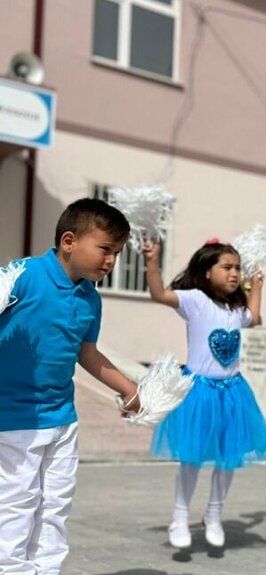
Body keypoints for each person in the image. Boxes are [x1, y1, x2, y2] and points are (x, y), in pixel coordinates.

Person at [0, 199, 140, 573]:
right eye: (105, 249)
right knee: (16, 503)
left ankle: (47, 569)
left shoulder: (90, 300)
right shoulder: (24, 274)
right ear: (68, 241)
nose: (111, 261)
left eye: (118, 253)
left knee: (56, 505)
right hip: (14, 418)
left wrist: (128, 389)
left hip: (62, 418)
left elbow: (88, 354)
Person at [145, 239, 266, 549]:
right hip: (200, 391)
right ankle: (179, 517)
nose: (234, 274)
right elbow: (158, 294)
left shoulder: (235, 310)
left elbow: (254, 318)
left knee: (227, 457)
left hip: (232, 392)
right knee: (191, 458)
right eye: (227, 267)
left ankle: (214, 514)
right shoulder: (195, 301)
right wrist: (153, 262)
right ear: (207, 272)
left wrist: (257, 285)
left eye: (238, 268)